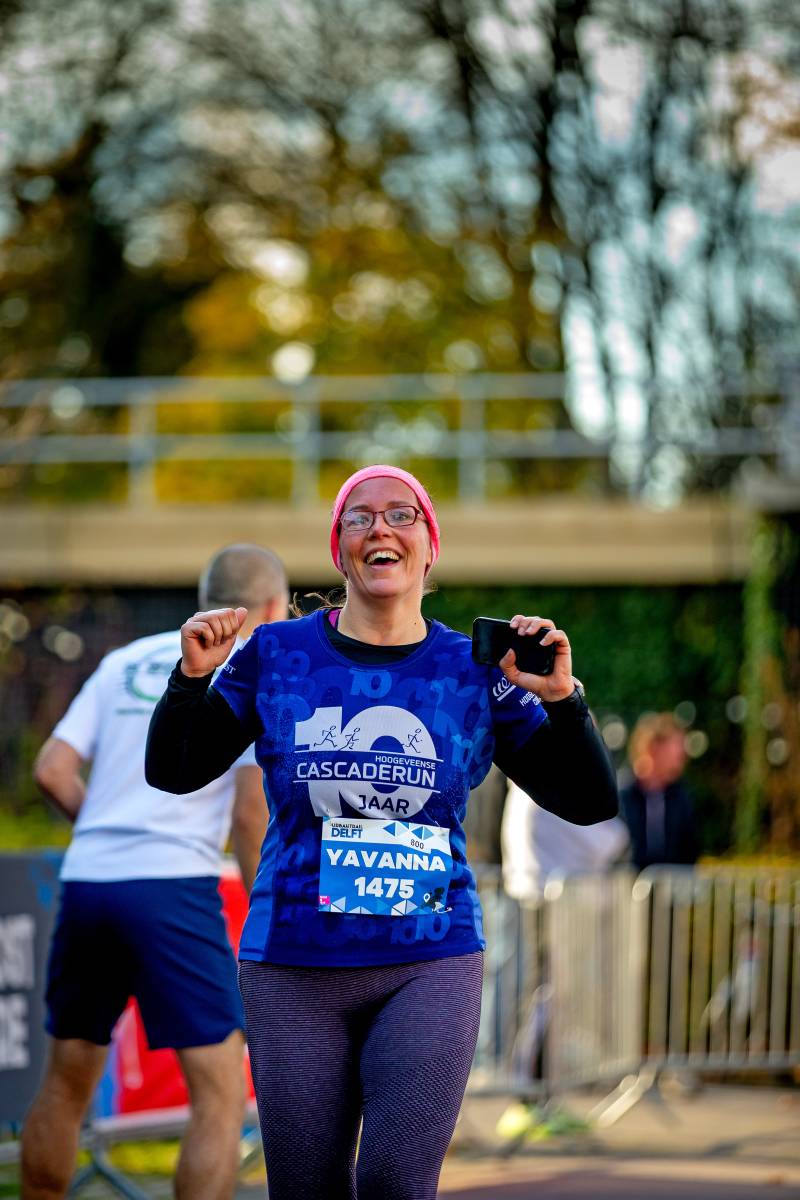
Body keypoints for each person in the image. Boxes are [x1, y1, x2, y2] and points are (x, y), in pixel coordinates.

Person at [145, 465, 618, 1200]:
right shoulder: (276, 655)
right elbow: (173, 771)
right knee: (307, 1189)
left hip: (429, 959)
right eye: (359, 518)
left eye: (401, 514)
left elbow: (587, 801)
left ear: (431, 546)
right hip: (294, 962)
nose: (380, 529)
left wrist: (563, 702)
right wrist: (190, 680)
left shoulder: (476, 670)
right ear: (339, 550)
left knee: (396, 1181)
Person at [21, 544, 289, 1200]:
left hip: (89, 882)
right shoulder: (251, 668)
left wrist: (103, 827)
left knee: (66, 1081)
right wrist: (273, 921)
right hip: (173, 885)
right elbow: (250, 815)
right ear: (273, 607)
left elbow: (52, 769)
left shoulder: (124, 660)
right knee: (220, 1091)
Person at [619, 712, 698, 871]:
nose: (682, 755)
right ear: (652, 747)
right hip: (624, 884)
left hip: (672, 885)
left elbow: (689, 852)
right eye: (676, 746)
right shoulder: (620, 794)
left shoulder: (681, 798)